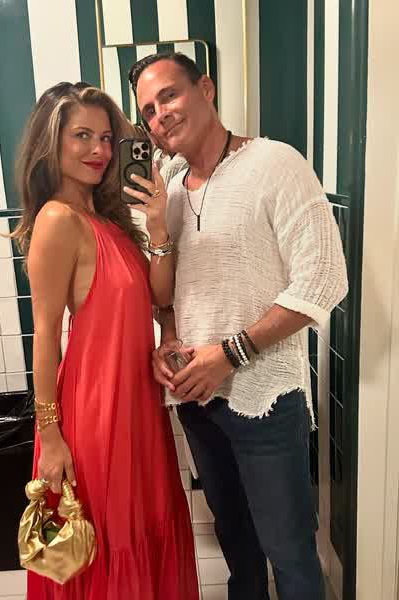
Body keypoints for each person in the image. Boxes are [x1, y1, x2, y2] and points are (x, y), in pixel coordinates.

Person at [126, 53, 348, 600]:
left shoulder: (275, 163)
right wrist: (169, 338)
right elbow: (167, 296)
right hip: (198, 400)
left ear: (205, 89)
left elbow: (324, 279)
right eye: (148, 110)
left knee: (290, 553)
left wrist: (229, 355)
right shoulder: (167, 185)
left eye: (169, 96)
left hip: (265, 399)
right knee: (237, 548)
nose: (160, 115)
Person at [11, 81, 198, 600]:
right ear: (51, 143)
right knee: (108, 536)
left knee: (141, 526)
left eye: (106, 138)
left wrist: (156, 224)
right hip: (95, 407)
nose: (99, 149)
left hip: (137, 401)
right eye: (82, 136)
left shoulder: (107, 220)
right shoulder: (57, 219)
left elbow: (159, 296)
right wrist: (50, 436)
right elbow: (45, 335)